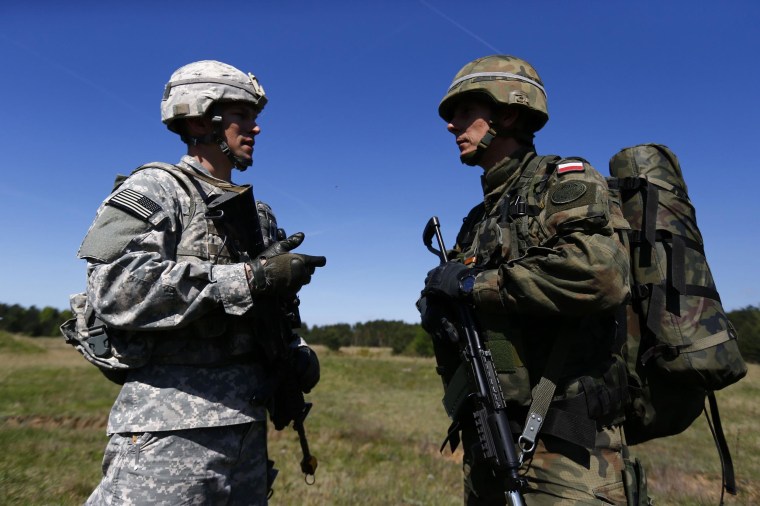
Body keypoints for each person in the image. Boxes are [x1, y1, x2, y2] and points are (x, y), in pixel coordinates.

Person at [77, 60, 325, 505]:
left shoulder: (260, 216)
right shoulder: (156, 189)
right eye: (243, 115)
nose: (256, 128)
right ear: (200, 119)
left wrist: (294, 353)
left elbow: (269, 314)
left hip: (245, 429)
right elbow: (114, 288)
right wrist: (248, 278)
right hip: (167, 436)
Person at [419, 55, 648, 505]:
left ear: (507, 112)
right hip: (494, 431)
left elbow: (599, 274)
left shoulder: (561, 182)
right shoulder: (479, 218)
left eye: (465, 112)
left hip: (570, 447)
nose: (452, 126)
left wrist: (472, 287)